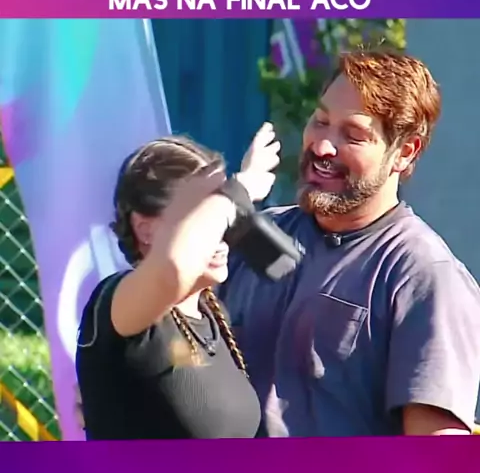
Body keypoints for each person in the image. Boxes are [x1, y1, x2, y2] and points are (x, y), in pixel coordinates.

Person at [221, 49, 480, 437]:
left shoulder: (423, 277)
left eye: (353, 135)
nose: (323, 147)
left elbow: (436, 455)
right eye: (321, 121)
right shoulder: (256, 235)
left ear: (404, 151)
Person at [76, 124, 280, 439]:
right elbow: (173, 269)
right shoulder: (120, 304)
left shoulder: (212, 313)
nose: (220, 230)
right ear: (145, 230)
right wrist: (238, 191)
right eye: (202, 215)